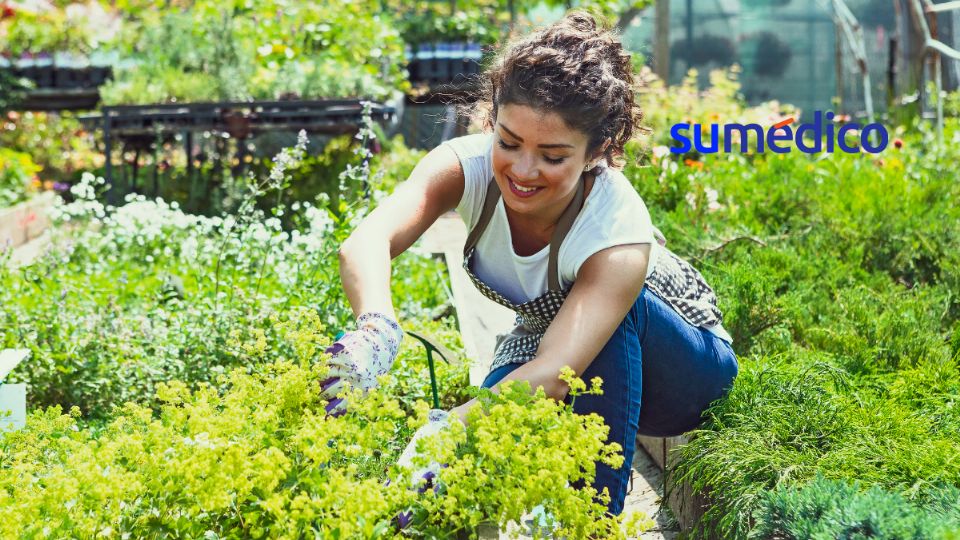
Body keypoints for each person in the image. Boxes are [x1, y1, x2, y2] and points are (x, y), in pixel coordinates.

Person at [320, 11, 738, 517]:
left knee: (496, 409)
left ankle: (589, 518)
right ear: (492, 121)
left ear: (596, 151)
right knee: (484, 440)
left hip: (685, 374)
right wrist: (376, 327)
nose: (522, 170)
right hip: (559, 345)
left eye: (552, 156)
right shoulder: (465, 168)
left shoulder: (615, 225)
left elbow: (557, 375)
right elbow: (366, 241)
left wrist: (448, 427)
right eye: (509, 142)